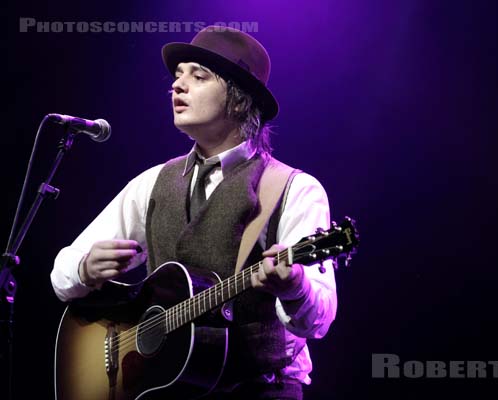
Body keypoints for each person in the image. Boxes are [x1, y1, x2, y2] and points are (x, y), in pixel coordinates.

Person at [50, 26, 337, 399]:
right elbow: (61, 273)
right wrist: (85, 268)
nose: (177, 86)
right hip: (164, 389)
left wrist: (295, 286)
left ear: (239, 100)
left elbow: (320, 319)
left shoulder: (293, 189)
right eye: (177, 76)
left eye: (198, 76)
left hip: (259, 389)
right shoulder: (152, 183)